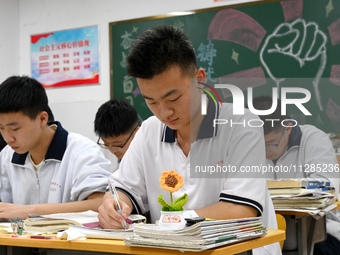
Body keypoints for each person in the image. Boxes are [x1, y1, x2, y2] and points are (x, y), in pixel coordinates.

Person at [98, 26, 280, 254]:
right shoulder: (149, 131)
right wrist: (113, 206)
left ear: (200, 80)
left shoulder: (240, 124)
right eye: (151, 102)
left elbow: (240, 211)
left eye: (173, 97)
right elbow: (122, 188)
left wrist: (174, 221)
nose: (164, 112)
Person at [0, 75, 112, 219]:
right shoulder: (6, 156)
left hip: (67, 240)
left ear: (42, 119)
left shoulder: (81, 151)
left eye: (15, 129)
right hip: (20, 240)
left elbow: (100, 204)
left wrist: (30, 211)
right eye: (1, 128)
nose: (8, 138)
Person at [251, 95, 340, 254]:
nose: (264, 152)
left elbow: (327, 187)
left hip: (320, 232)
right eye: (257, 144)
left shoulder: (313, 140)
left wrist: (282, 191)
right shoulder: (245, 146)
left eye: (271, 144)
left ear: (288, 128)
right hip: (263, 234)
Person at [94, 99, 140, 172]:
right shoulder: (102, 153)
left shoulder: (150, 154)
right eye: (106, 144)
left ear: (137, 132)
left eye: (118, 145)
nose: (112, 149)